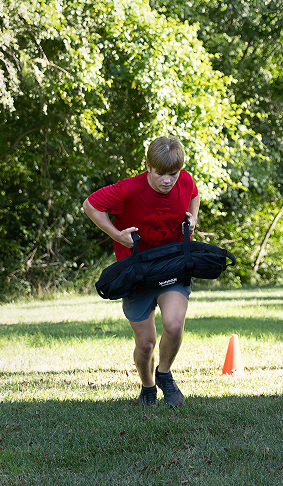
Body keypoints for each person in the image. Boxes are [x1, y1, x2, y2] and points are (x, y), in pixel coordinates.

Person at [83, 136, 200, 407]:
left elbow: (194, 193)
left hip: (173, 265)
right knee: (146, 344)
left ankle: (164, 374)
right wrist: (117, 235)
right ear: (148, 166)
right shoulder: (127, 190)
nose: (168, 180)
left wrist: (192, 219)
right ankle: (147, 387)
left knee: (173, 325)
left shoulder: (184, 180)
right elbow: (91, 205)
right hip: (136, 273)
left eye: (173, 174)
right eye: (161, 174)